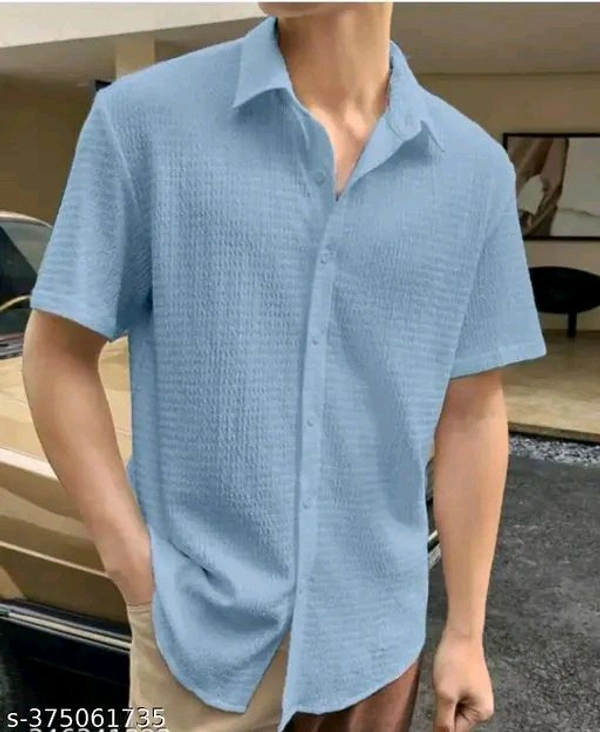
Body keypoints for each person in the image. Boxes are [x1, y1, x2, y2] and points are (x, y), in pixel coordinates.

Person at [22, 3, 547, 732]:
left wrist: (465, 631)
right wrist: (134, 567)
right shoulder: (143, 122)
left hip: (379, 646)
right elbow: (57, 354)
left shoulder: (474, 172)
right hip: (198, 647)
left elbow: (474, 412)